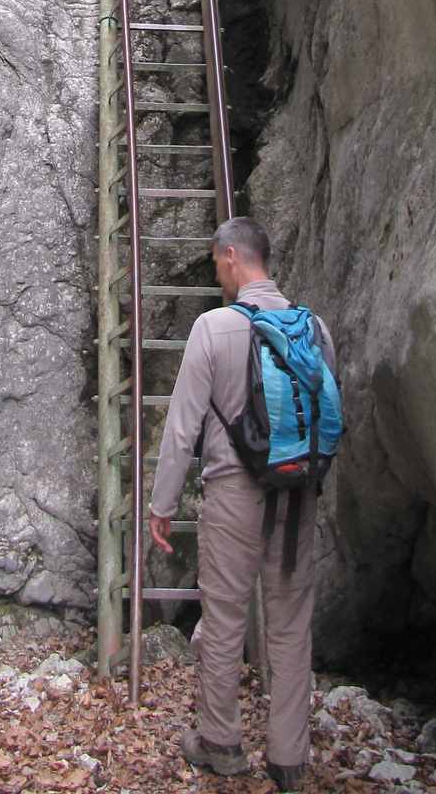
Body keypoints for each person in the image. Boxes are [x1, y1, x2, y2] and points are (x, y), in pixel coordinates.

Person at [148, 216, 336, 785]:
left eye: (215, 263)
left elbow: (183, 428)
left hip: (233, 492)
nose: (217, 273)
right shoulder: (314, 329)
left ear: (232, 257)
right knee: (289, 623)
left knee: (225, 617)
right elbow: (327, 414)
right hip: (296, 492)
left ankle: (221, 743)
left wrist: (163, 504)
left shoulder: (213, 327)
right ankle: (288, 757)